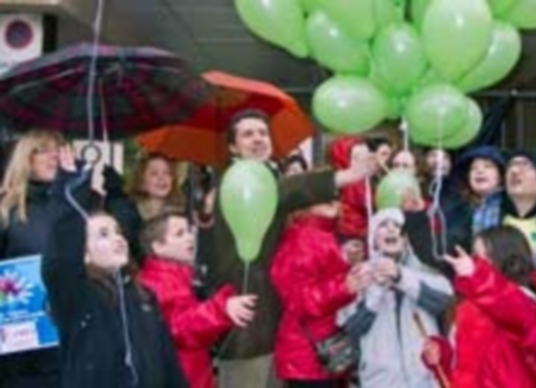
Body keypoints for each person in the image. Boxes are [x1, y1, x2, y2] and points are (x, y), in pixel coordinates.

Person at [196, 109, 379, 388]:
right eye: (248, 134)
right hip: (247, 334)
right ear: (233, 148)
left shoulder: (268, 178)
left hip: (279, 331)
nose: (258, 139)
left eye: (262, 132)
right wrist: (346, 175)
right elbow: (288, 190)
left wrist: (338, 256)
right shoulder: (235, 183)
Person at [0, 131, 135, 387]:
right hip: (27, 348)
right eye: (43, 149)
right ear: (25, 159)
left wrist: (114, 195)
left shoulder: (89, 203)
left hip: (85, 331)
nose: (54, 154)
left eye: (60, 148)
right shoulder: (7, 210)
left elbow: (124, 244)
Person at [42, 151, 188, 387]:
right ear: (84, 253)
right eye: (103, 234)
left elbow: (168, 362)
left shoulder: (144, 296)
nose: (118, 239)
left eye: (118, 232)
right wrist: (70, 188)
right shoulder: (77, 297)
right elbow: (59, 256)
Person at [421, 226, 536, 388]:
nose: (475, 263)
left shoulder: (525, 301)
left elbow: (510, 308)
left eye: (483, 258)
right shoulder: (467, 307)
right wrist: (442, 356)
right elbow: (463, 370)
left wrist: (477, 276)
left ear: (506, 258)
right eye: (475, 256)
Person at [138, 212, 257, 388]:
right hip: (182, 376)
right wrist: (220, 308)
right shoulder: (159, 282)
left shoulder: (176, 276)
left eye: (188, 231)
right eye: (179, 234)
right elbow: (180, 326)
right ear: (158, 247)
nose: (189, 237)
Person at [340, 208, 453, 388]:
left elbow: (444, 303)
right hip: (381, 381)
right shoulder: (358, 276)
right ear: (374, 241)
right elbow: (352, 329)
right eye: (383, 226)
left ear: (406, 239)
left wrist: (401, 277)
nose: (392, 229)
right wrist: (376, 291)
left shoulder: (426, 271)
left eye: (397, 226)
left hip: (425, 379)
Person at [270, 200, 370, 388]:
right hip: (308, 355)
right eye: (321, 195)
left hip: (321, 351)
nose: (331, 200)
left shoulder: (321, 235)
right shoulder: (303, 238)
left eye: (332, 194)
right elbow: (299, 300)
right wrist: (344, 286)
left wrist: (345, 261)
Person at [127, 154, 186, 222]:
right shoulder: (129, 211)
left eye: (167, 173)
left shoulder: (183, 212)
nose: (161, 178)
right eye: (154, 173)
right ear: (142, 181)